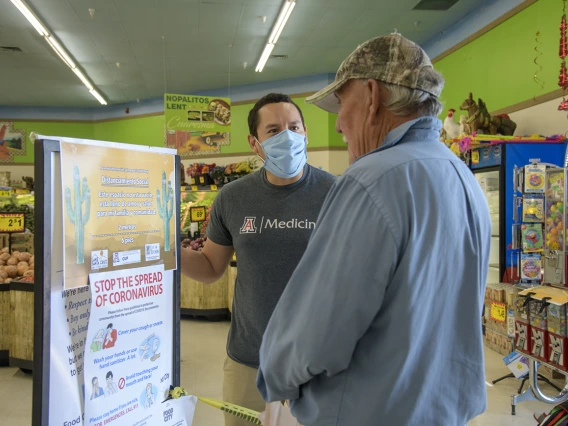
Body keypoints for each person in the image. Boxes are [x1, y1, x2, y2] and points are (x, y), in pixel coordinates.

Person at [257, 33, 491, 426]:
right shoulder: (460, 175)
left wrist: (274, 376)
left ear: (370, 96)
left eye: (341, 105)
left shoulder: (371, 180)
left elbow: (317, 331)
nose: (338, 127)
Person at [181, 93, 337, 426]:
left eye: (294, 127)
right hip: (249, 361)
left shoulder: (335, 193)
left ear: (306, 132)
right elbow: (211, 267)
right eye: (274, 130)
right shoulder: (232, 198)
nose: (288, 136)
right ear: (255, 143)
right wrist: (165, 252)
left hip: (318, 362)